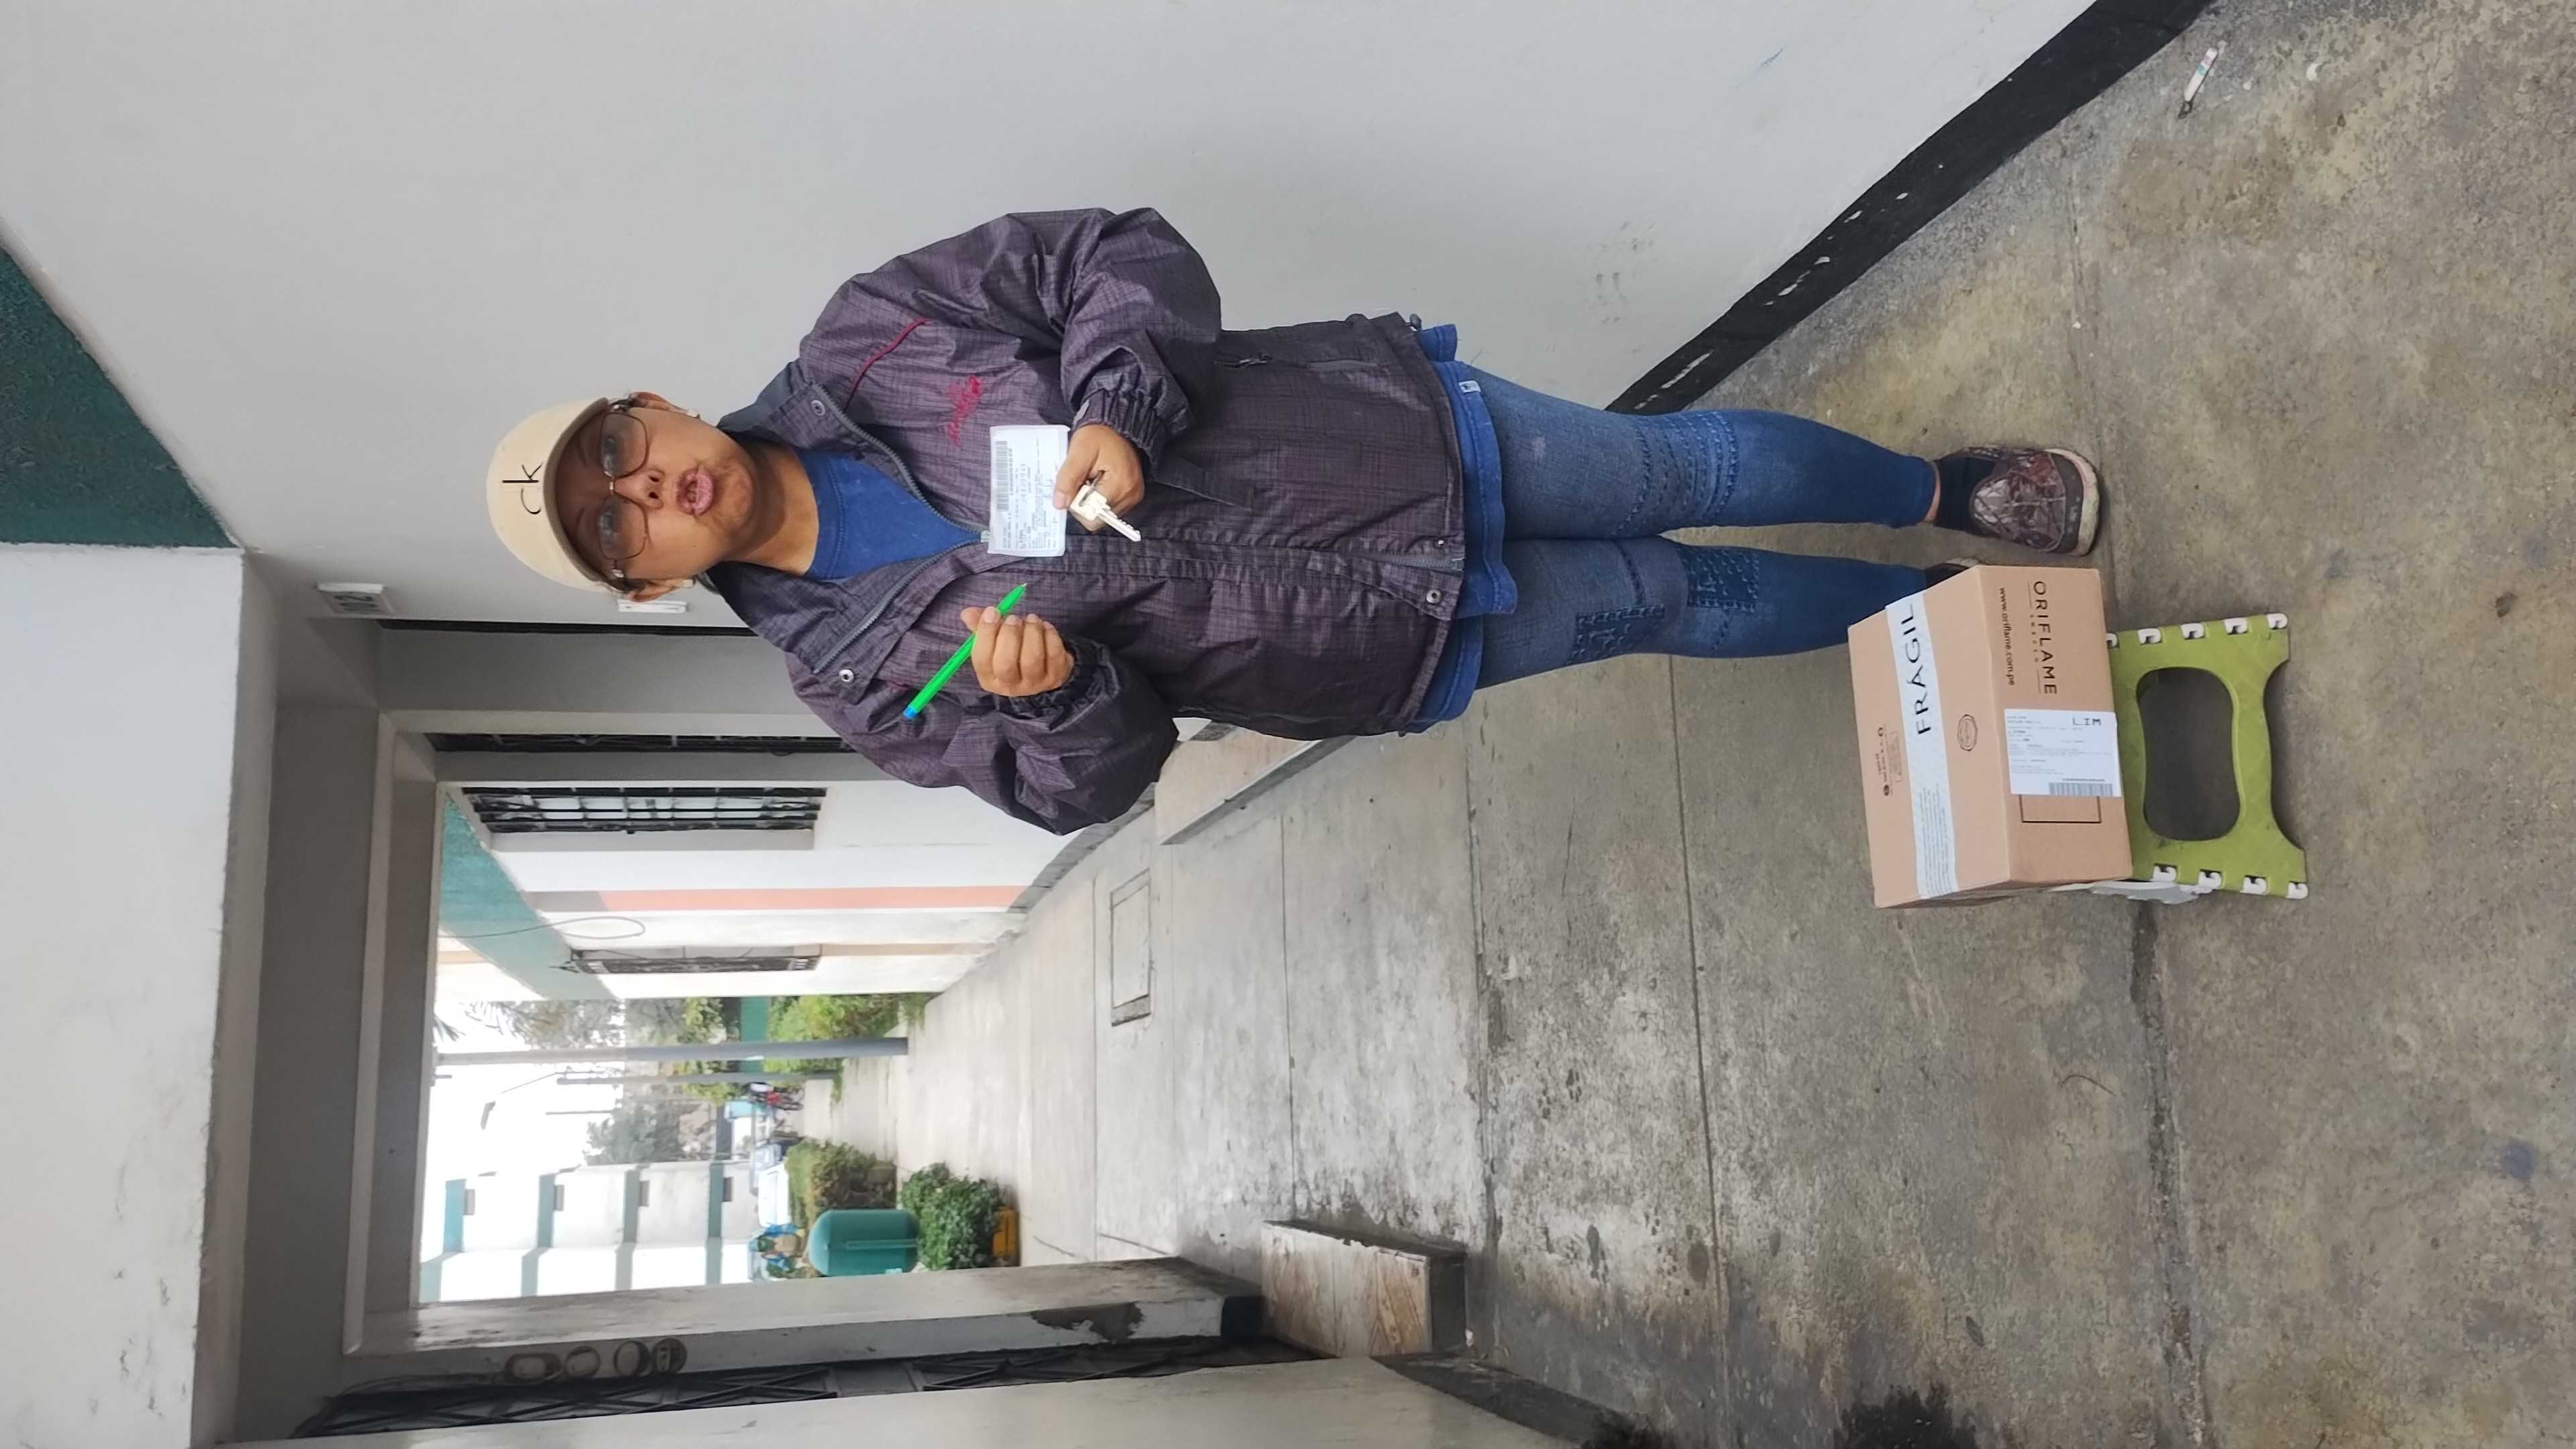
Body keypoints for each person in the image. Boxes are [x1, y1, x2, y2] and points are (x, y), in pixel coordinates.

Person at [486, 209, 2100, 834]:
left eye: (620, 451)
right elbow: (1081, 787)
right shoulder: (857, 680)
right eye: (614, 528)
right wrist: (1058, 697)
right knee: (1670, 604)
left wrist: (1117, 404)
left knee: (1683, 476)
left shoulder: (871, 335)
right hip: (1363, 640)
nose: (648, 489)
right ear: (642, 587)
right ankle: (1967, 621)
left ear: (652, 405)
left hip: (1380, 438)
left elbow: (1114, 254)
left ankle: (1942, 492)